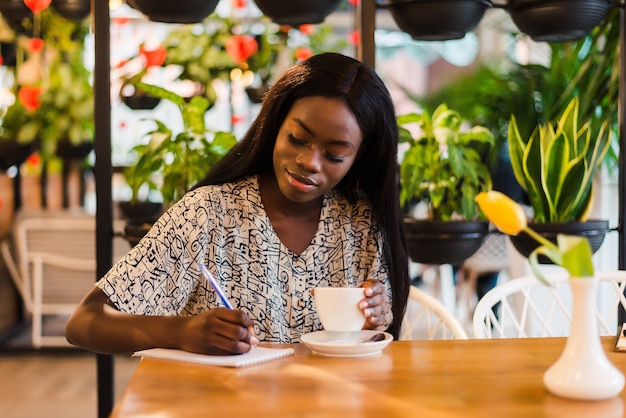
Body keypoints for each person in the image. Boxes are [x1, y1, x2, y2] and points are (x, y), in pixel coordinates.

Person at [66, 52, 411, 355]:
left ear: (358, 155)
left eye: (334, 155)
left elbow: (376, 346)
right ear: (276, 124)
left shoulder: (362, 224)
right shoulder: (206, 215)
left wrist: (374, 320)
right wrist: (181, 332)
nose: (310, 161)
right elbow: (85, 323)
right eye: (297, 138)